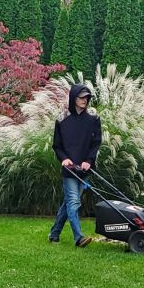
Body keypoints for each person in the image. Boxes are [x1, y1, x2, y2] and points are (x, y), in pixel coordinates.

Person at [48, 84, 102, 247]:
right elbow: (57, 145)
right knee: (73, 202)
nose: (84, 100)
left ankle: (54, 234)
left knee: (69, 203)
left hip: (84, 168)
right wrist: (64, 159)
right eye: (81, 97)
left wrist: (89, 161)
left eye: (87, 97)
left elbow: (96, 143)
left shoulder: (93, 120)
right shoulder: (62, 120)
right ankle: (78, 237)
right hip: (69, 169)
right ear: (73, 98)